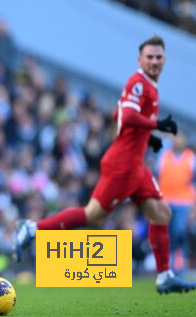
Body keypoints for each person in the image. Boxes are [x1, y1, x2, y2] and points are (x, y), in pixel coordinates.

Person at [13, 35, 196, 294]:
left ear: (164, 60)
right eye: (150, 57)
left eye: (158, 57)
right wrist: (155, 125)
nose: (154, 61)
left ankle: (164, 275)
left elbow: (117, 114)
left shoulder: (148, 86)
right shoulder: (138, 83)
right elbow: (129, 115)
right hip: (122, 165)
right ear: (140, 60)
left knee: (161, 213)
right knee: (92, 214)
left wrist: (148, 137)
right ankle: (32, 229)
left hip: (135, 164)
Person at [155, 132, 195, 273]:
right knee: (168, 235)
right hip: (166, 203)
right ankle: (167, 265)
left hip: (184, 203)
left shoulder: (191, 158)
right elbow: (156, 176)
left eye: (180, 137)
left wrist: (193, 207)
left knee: (180, 231)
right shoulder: (164, 156)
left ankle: (180, 262)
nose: (178, 140)